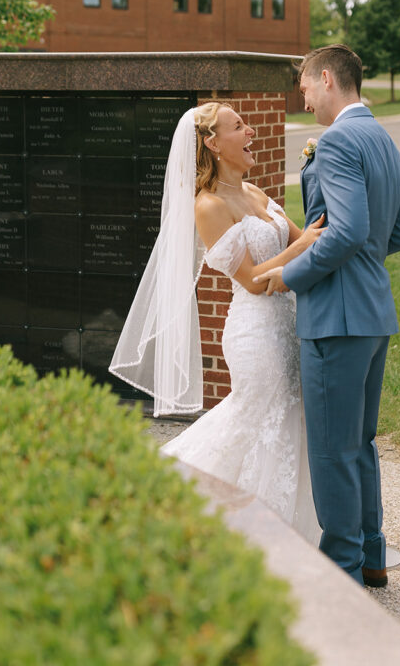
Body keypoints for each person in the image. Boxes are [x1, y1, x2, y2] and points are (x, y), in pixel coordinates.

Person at [109, 101, 324, 541]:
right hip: (255, 334)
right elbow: (251, 281)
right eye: (239, 126)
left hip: (290, 326)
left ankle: (281, 523)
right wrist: (306, 246)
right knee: (258, 420)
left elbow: (312, 240)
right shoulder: (207, 206)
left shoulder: (258, 195)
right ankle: (199, 507)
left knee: (288, 422)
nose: (251, 134)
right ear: (212, 143)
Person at [254, 44, 400, 587]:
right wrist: (360, 266)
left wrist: (289, 275)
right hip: (374, 315)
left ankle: (340, 572)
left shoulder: (341, 139)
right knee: (359, 444)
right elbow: (399, 234)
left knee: (330, 451)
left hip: (336, 321)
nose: (303, 100)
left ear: (326, 79)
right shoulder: (383, 138)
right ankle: (372, 555)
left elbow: (344, 231)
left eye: (304, 89)